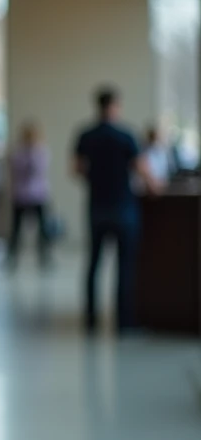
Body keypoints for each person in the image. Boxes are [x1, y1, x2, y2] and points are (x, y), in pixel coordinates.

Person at [73, 86, 162, 334]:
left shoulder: (86, 135)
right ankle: (124, 323)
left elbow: (76, 169)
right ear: (115, 106)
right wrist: (155, 186)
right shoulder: (126, 136)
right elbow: (143, 170)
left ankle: (91, 320)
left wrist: (96, 178)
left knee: (94, 263)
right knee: (125, 267)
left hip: (97, 207)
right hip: (124, 208)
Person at [8, 122, 53, 267]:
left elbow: (40, 170)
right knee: (16, 229)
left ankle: (44, 257)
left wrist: (33, 153)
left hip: (38, 194)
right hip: (21, 195)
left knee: (43, 229)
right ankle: (12, 257)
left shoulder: (41, 151)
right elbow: (16, 171)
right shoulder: (18, 153)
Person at [139, 124, 175, 192]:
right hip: (148, 186)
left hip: (161, 184)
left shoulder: (162, 152)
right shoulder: (143, 151)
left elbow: (165, 172)